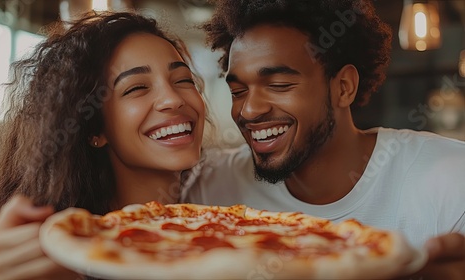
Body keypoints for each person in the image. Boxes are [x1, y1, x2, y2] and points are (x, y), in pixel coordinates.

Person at [182, 0, 465, 279]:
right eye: (238, 91)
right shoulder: (209, 186)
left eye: (279, 85)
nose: (249, 110)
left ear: (344, 87)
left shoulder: (451, 179)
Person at [0, 11, 207, 280]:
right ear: (94, 129)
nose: (173, 99)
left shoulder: (228, 211)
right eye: (136, 88)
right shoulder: (67, 255)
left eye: (183, 80)